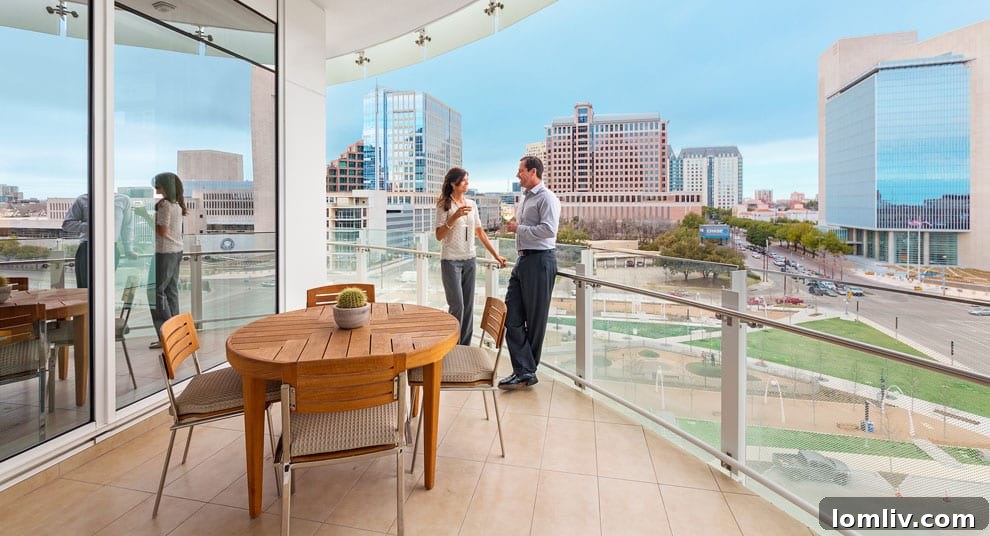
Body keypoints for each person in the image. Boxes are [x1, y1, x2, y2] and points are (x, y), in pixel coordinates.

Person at [498, 156, 560, 390]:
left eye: (520, 171)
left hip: (540, 261)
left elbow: (549, 230)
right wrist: (518, 227)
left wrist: (518, 228)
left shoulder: (548, 198)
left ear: (533, 171)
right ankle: (525, 370)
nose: (517, 175)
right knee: (511, 315)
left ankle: (524, 371)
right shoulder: (524, 199)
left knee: (535, 321)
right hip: (523, 260)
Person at [435, 167, 507, 345]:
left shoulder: (472, 204)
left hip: (470, 260)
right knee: (457, 306)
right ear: (454, 183)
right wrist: (454, 217)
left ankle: (464, 346)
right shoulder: (444, 205)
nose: (467, 183)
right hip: (450, 261)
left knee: (468, 306)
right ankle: (452, 344)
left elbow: (480, 232)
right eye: (464, 180)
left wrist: (496, 255)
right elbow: (438, 235)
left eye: (468, 180)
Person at [135, 172, 187, 349]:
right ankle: (176, 334)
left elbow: (162, 231)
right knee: (171, 292)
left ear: (165, 186)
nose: (156, 188)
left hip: (165, 252)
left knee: (155, 292)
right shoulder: (177, 205)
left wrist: (143, 215)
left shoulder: (165, 204)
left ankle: (166, 336)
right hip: (177, 251)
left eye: (157, 185)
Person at [62, 193, 138, 288]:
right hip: (87, 249)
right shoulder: (82, 199)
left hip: (111, 249)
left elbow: (127, 226)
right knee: (86, 289)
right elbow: (67, 224)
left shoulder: (123, 200)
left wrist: (128, 249)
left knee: (106, 288)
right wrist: (91, 226)